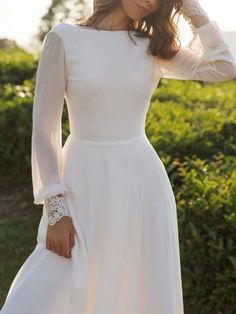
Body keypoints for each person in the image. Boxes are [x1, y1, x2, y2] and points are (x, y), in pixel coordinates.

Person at [1, 0, 236, 313]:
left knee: (133, 288)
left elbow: (224, 66)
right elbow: (45, 129)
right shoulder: (64, 38)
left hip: (142, 186)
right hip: (81, 182)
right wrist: (55, 206)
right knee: (40, 292)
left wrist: (191, 8)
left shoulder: (152, 46)